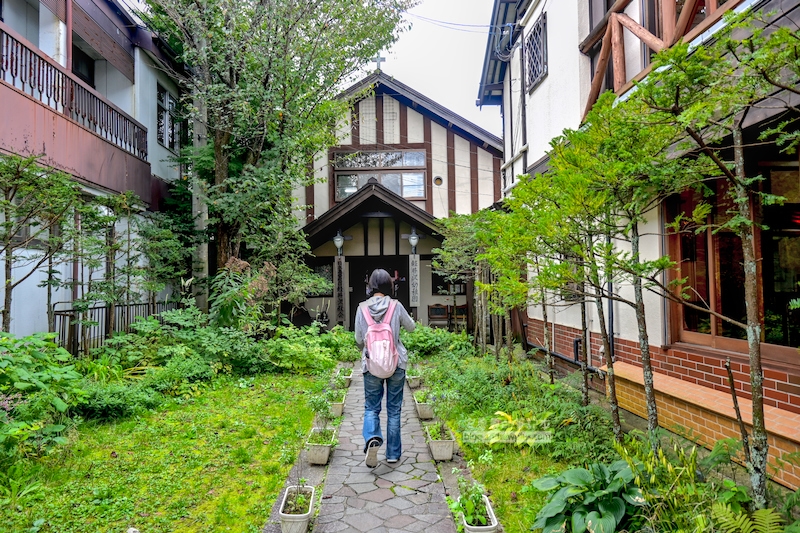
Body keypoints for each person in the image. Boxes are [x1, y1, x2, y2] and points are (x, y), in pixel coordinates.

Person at [355, 268, 415, 467]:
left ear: (370, 285)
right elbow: (411, 327)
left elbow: (358, 339)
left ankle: (372, 437)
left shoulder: (362, 308)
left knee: (371, 407)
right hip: (396, 362)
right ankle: (393, 454)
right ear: (390, 285)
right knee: (394, 409)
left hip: (371, 364)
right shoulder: (396, 306)